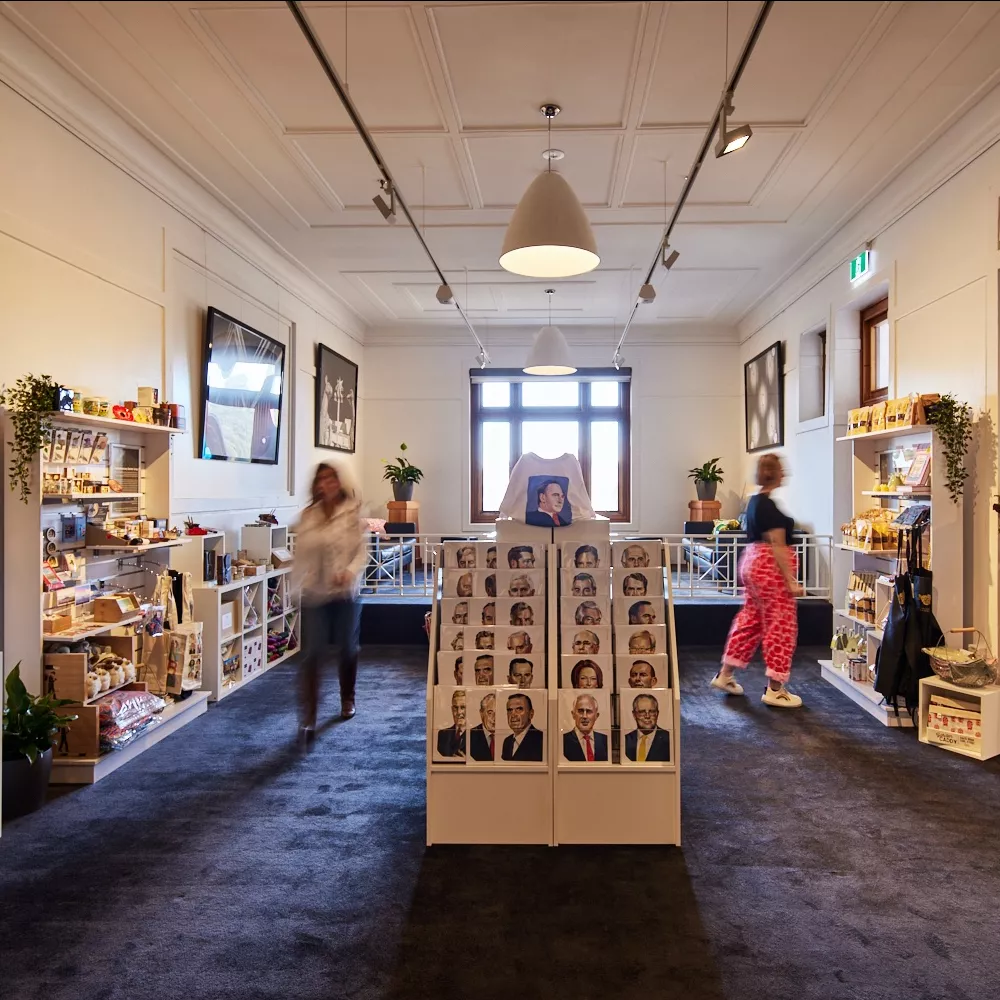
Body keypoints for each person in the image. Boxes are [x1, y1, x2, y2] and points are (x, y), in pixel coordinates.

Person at [713, 453, 804, 708]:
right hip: (769, 569)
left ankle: (725, 674)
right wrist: (791, 580)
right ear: (774, 474)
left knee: (750, 620)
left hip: (751, 563)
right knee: (781, 625)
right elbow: (776, 543)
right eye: (782, 469)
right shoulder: (768, 506)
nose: (785, 473)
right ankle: (775, 689)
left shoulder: (755, 502)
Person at [294, 463, 366, 747]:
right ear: (317, 485)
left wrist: (349, 571)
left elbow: (362, 552)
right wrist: (295, 586)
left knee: (348, 647)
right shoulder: (308, 516)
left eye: (331, 477)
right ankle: (309, 715)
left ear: (339, 481)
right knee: (311, 653)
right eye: (322, 479)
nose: (327, 483)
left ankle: (347, 697)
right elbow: (300, 555)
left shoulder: (352, 513)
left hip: (345, 592)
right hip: (315, 593)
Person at [624, 694, 670, 762]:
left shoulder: (669, 739)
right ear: (634, 715)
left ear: (657, 714)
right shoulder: (625, 740)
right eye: (642, 712)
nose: (647, 716)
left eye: (651, 711)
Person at [562, 693, 608, 761]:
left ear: (596, 716)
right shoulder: (562, 741)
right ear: (573, 714)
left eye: (589, 711)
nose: (584, 716)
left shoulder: (605, 740)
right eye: (580, 711)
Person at [502, 693, 544, 761]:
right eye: (510, 710)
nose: (513, 715)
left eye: (519, 709)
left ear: (531, 713)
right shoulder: (507, 742)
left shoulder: (542, 740)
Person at [436, 689, 466, 758]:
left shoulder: (477, 735)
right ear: (452, 710)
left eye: (463, 707)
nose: (459, 712)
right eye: (455, 708)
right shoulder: (442, 734)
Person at [469, 692, 496, 761]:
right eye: (490, 713)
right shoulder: (469, 736)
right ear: (481, 713)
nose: (494, 718)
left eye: (498, 713)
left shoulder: (508, 737)